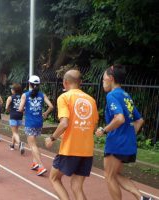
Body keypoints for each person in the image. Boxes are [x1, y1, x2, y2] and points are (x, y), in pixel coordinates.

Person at [95, 65, 151, 200]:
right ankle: (141, 197)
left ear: (110, 78)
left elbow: (119, 118)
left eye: (103, 79)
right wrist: (129, 135)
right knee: (116, 175)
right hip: (128, 143)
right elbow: (140, 120)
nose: (102, 82)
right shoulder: (126, 95)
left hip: (116, 142)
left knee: (109, 176)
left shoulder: (112, 95)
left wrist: (104, 130)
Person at [45, 69, 99, 200]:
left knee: (54, 178)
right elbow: (94, 126)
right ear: (80, 82)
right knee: (77, 187)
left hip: (70, 149)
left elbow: (64, 123)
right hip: (87, 150)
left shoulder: (64, 97)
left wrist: (52, 138)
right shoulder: (91, 100)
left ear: (65, 82)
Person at [19, 75, 54, 176]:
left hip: (30, 122)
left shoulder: (25, 95)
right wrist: (46, 113)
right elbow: (51, 106)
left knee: (32, 145)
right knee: (34, 143)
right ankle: (35, 163)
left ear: (29, 84)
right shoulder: (42, 95)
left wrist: (25, 110)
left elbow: (21, 109)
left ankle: (41, 166)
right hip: (39, 122)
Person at [5, 83, 25, 154]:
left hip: (13, 115)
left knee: (14, 132)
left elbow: (6, 108)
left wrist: (8, 110)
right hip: (20, 116)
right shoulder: (22, 97)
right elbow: (24, 107)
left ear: (14, 90)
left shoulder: (10, 97)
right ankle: (12, 145)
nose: (11, 90)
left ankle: (20, 143)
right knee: (15, 131)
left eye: (12, 89)